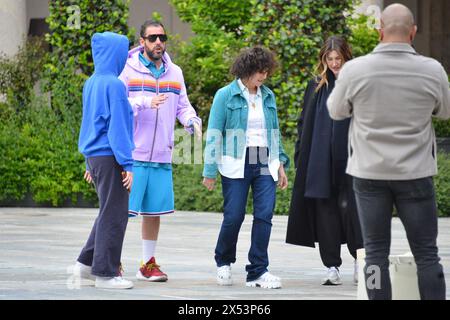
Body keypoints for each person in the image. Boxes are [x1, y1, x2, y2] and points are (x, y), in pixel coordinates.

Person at [327, 3, 449, 300]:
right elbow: (445, 112)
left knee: (375, 254)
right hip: (416, 173)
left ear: (379, 30)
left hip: (369, 174)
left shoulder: (355, 70)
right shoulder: (432, 69)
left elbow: (335, 111)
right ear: (413, 32)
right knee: (427, 254)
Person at [119, 20, 201, 282]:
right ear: (142, 41)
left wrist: (191, 121)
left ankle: (147, 264)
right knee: (122, 212)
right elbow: (118, 105)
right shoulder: (126, 70)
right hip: (133, 155)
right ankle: (111, 260)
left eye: (162, 37)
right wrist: (145, 102)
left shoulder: (175, 72)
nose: (158, 42)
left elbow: (182, 106)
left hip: (161, 154)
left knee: (153, 213)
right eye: (152, 37)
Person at [202, 46, 289, 289]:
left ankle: (258, 271)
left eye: (266, 72)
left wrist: (280, 163)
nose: (263, 77)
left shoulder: (267, 96)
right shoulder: (225, 95)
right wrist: (209, 170)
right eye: (258, 72)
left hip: (264, 159)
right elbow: (214, 133)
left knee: (264, 215)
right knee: (234, 216)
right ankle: (224, 260)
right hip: (236, 161)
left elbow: (274, 132)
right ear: (246, 70)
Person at [286, 36, 364, 286]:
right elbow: (304, 122)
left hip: (354, 161)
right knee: (326, 213)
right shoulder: (316, 85)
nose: (333, 63)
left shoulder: (358, 84)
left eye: (338, 59)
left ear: (346, 57)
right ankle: (331, 266)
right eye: (329, 59)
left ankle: (359, 261)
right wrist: (301, 155)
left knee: (356, 212)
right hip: (321, 162)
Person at [74, 32, 135, 289]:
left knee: (107, 211)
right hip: (110, 157)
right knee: (115, 214)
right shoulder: (114, 84)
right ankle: (106, 274)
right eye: (124, 52)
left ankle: (86, 264)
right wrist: (128, 164)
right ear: (116, 54)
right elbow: (117, 127)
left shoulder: (92, 82)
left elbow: (90, 122)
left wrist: (89, 162)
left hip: (96, 156)